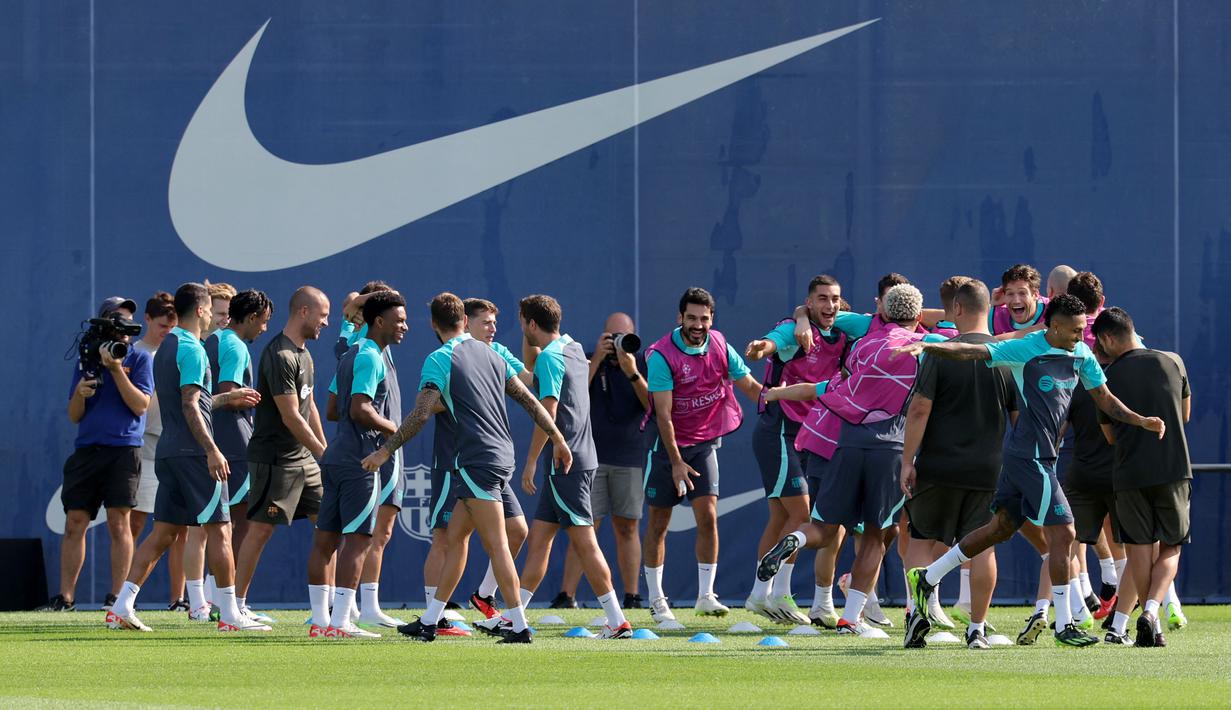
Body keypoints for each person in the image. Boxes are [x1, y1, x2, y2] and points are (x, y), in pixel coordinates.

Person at [901, 294, 1165, 648]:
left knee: (999, 529)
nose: (1080, 335)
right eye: (1075, 330)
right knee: (1065, 532)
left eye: (1083, 329)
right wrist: (930, 349)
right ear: (1055, 326)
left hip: (1041, 457)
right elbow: (974, 352)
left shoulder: (1082, 354)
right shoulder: (1027, 349)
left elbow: (1104, 399)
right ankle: (1064, 625)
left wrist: (1141, 420)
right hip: (1029, 457)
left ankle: (928, 577)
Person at [362, 293, 571, 644]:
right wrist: (558, 437)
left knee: (498, 544)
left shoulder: (440, 358)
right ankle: (430, 620)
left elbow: (420, 413)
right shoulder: (492, 354)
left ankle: (519, 626)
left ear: (433, 324)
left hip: (476, 461)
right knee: (457, 537)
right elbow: (530, 400)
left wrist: (386, 450)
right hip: (502, 458)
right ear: (462, 319)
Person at [758, 284, 940, 639]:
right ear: (918, 318)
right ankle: (850, 618)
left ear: (883, 313)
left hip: (847, 444)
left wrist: (777, 392)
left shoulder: (862, 345)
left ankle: (794, 540)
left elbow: (829, 386)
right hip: (890, 449)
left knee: (825, 528)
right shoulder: (929, 349)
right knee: (876, 535)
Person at [105, 283, 265, 632]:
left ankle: (122, 606)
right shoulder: (191, 348)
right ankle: (231, 615)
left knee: (162, 534)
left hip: (169, 452)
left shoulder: (165, 347)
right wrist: (212, 449)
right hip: (194, 454)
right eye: (211, 309)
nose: (213, 316)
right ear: (201, 309)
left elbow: (193, 401)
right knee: (222, 532)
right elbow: (192, 404)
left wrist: (226, 398)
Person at [898, 279, 1017, 649]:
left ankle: (917, 615)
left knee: (921, 539)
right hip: (988, 468)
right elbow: (1019, 417)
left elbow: (919, 409)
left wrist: (907, 461)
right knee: (983, 546)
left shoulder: (940, 352)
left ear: (958, 310)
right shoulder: (1008, 355)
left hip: (938, 465)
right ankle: (977, 629)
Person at [642, 287, 763, 623]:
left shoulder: (721, 345)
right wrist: (677, 462)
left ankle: (706, 595)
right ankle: (656, 600)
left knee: (708, 517)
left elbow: (753, 388)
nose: (698, 324)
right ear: (680, 317)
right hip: (666, 449)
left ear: (712, 319)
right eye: (691, 317)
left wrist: (792, 401)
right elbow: (663, 415)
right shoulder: (660, 355)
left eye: (704, 318)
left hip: (704, 444)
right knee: (659, 523)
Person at [514, 295, 632, 638]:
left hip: (566, 463)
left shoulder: (552, 357)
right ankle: (514, 613)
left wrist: (532, 460)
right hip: (576, 461)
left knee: (585, 542)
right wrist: (528, 329)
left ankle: (617, 620)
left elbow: (545, 413)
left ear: (532, 324)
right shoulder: (573, 347)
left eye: (524, 324)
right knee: (540, 539)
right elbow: (533, 363)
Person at [742, 275, 845, 625]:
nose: (829, 305)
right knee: (803, 518)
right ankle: (780, 594)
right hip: (779, 432)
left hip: (810, 436)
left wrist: (804, 312)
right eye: (821, 299)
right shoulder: (793, 330)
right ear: (810, 301)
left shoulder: (844, 329)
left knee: (783, 518)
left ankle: (759, 596)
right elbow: (773, 342)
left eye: (834, 299)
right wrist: (761, 347)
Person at [43, 297, 152, 612]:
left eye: (129, 322)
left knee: (120, 522)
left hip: (124, 450)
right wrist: (80, 393)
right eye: (118, 321)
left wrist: (116, 370)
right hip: (88, 450)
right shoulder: (86, 357)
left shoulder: (139, 359)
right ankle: (66, 598)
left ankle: (116, 598)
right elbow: (74, 415)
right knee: (75, 521)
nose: (124, 330)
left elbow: (140, 405)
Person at [309, 291, 407, 638]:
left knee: (326, 540)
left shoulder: (352, 354)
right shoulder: (369, 356)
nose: (404, 327)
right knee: (358, 540)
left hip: (338, 455)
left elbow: (333, 410)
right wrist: (395, 426)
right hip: (361, 460)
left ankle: (321, 622)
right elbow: (358, 409)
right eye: (398, 321)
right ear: (377, 321)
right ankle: (340, 623)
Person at [1093, 308, 1191, 647]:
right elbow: (1185, 415)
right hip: (1173, 469)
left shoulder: (1105, 377)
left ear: (1107, 339)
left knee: (1138, 551)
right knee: (1172, 545)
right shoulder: (1173, 361)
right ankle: (1151, 612)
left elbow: (1109, 436)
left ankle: (1152, 626)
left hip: (1129, 474)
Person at [236, 287, 330, 617]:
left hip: (304, 460)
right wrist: (322, 451)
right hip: (275, 459)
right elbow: (290, 415)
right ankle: (235, 607)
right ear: (303, 311)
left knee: (329, 526)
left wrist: (323, 452)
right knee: (259, 531)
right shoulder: (279, 355)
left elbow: (310, 406)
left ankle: (326, 613)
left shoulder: (304, 354)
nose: (326, 322)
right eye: (323, 315)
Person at [186, 290, 272, 622]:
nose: (264, 330)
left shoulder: (214, 340)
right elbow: (227, 394)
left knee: (223, 526)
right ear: (250, 318)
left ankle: (218, 600)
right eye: (263, 323)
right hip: (233, 444)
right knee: (238, 525)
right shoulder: (235, 344)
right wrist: (255, 399)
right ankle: (230, 603)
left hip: (218, 440)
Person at [555, 312, 650, 610]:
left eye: (625, 338)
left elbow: (652, 406)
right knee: (584, 527)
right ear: (603, 335)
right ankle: (566, 595)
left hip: (630, 456)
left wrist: (631, 370)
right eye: (613, 337)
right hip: (591, 457)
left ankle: (632, 595)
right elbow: (572, 396)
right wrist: (596, 358)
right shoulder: (586, 361)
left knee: (628, 527)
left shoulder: (642, 363)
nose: (619, 344)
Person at [125, 292, 178, 611]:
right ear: (146, 319)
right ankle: (124, 597)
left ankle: (179, 599)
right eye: (161, 325)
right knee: (134, 525)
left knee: (180, 529)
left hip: (175, 447)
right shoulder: (133, 353)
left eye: (171, 327)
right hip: (144, 448)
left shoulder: (179, 352)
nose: (166, 332)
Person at [990, 264, 1048, 338]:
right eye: (1010, 294)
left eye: (1022, 293)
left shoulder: (1053, 310)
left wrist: (995, 340)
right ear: (1004, 296)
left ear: (1035, 295)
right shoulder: (994, 317)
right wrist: (991, 307)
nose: (1016, 301)